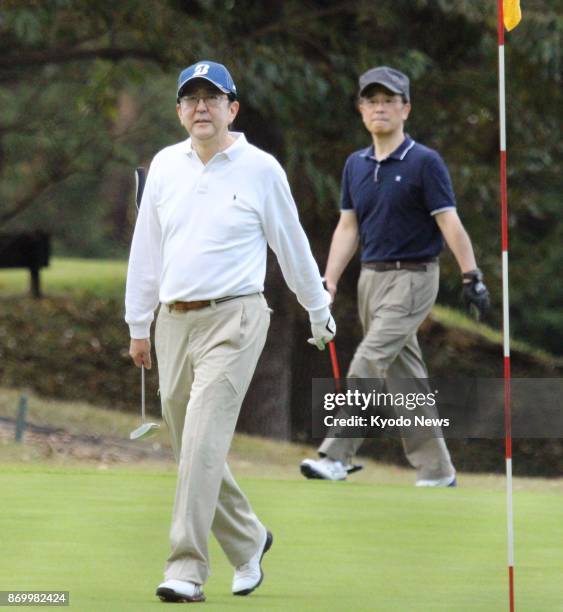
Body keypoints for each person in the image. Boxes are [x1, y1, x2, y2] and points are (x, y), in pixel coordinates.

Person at [125, 60, 335, 603]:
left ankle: (186, 569)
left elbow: (291, 245)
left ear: (231, 109)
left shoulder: (261, 169)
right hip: (172, 321)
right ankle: (249, 540)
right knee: (189, 445)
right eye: (190, 99)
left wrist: (317, 309)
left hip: (236, 317)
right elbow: (146, 250)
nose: (200, 107)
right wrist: (137, 323)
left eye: (211, 98)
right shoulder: (165, 167)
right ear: (178, 110)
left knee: (200, 440)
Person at [300, 66, 489, 486]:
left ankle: (337, 454)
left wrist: (471, 275)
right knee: (403, 377)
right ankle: (439, 471)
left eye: (389, 101)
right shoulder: (356, 165)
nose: (380, 108)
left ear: (406, 108)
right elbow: (348, 227)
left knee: (368, 360)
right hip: (372, 278)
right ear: (362, 110)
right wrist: (328, 282)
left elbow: (449, 222)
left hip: (414, 277)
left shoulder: (424, 162)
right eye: (372, 101)